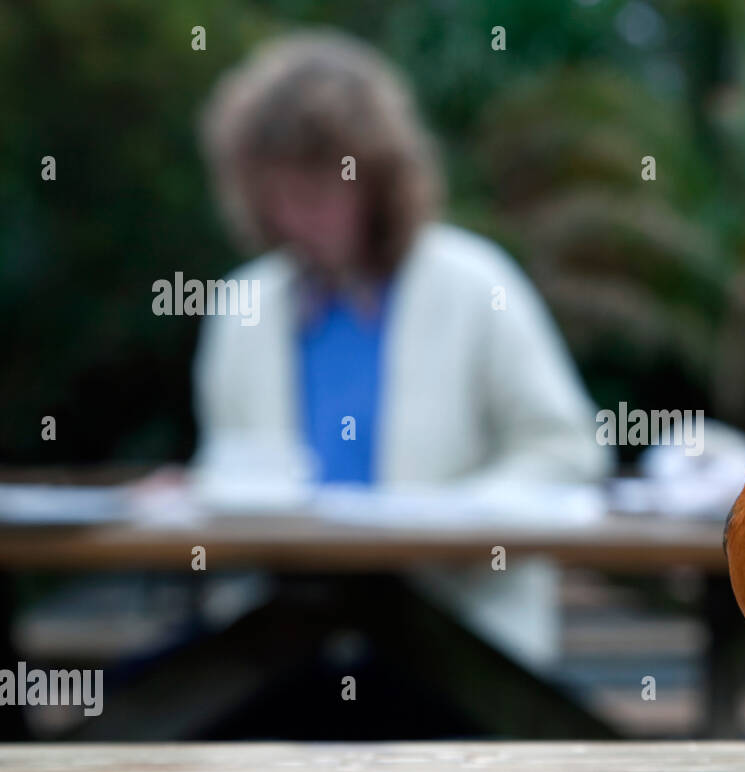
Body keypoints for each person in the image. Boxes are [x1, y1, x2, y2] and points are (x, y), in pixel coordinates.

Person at [193, 30, 611, 667]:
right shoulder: (242, 304)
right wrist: (199, 488)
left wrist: (453, 517)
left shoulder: (476, 283)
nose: (298, 217)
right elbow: (234, 468)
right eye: (281, 196)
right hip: (280, 640)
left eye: (320, 192)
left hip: (459, 640)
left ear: (379, 182)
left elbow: (567, 451)